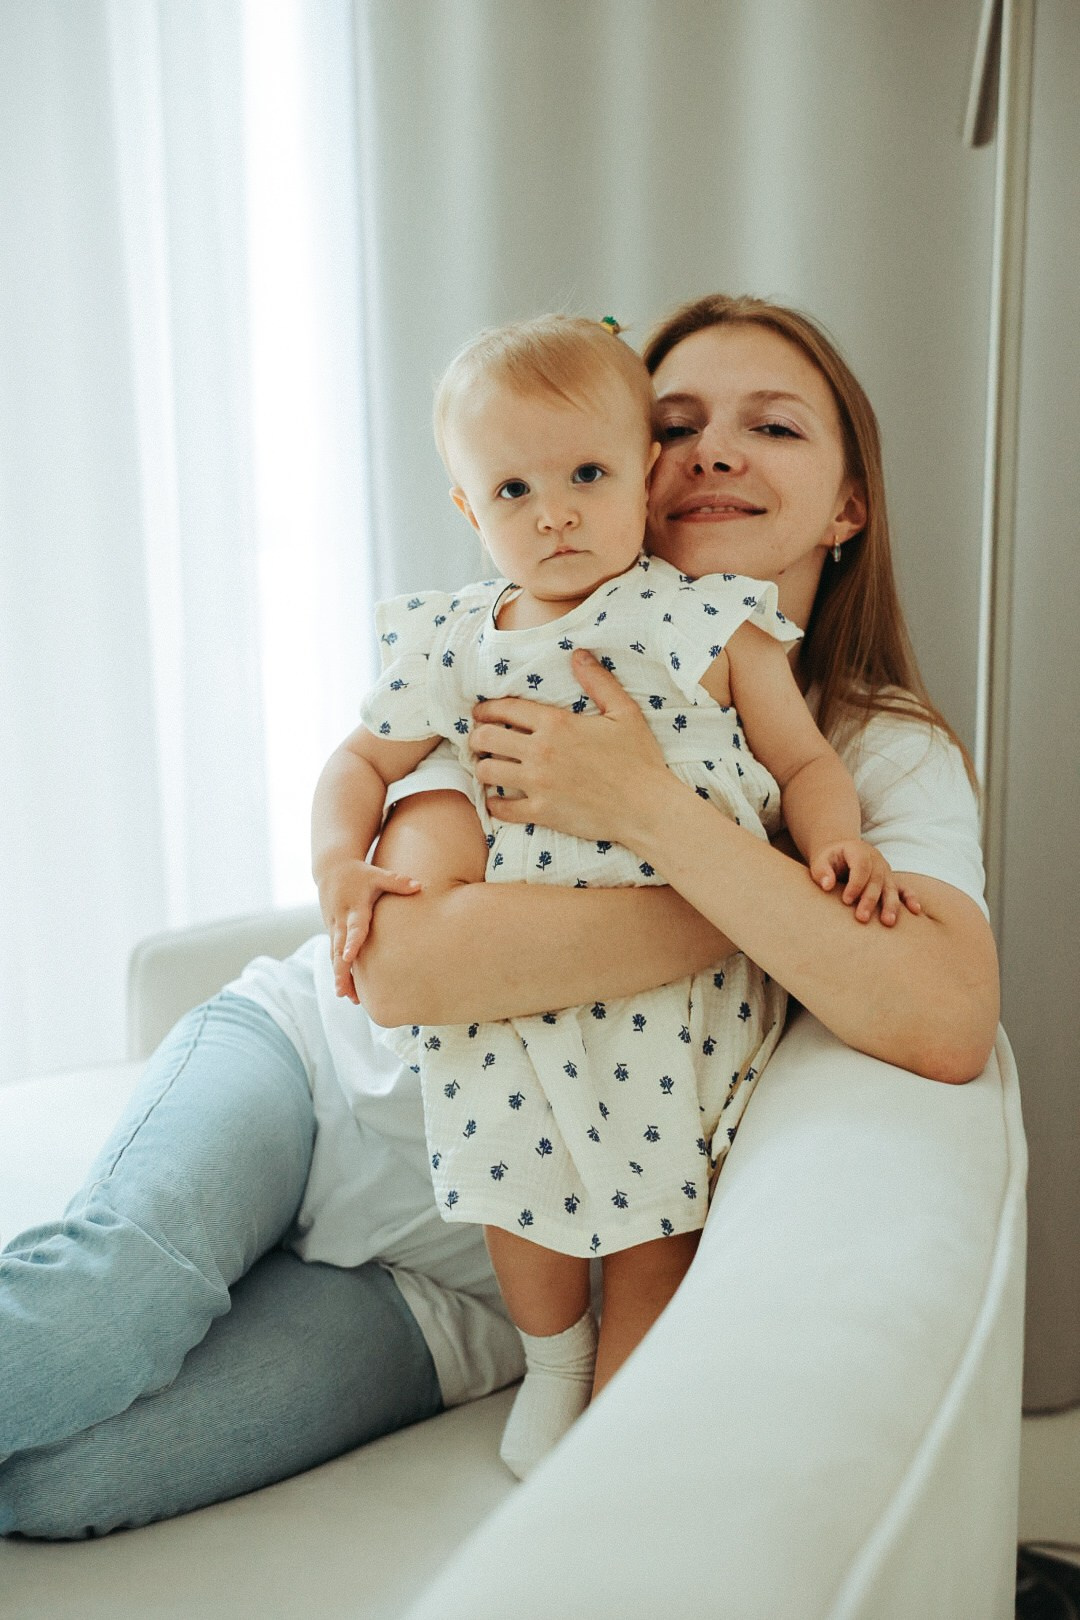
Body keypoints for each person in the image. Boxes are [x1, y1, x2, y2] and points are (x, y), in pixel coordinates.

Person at [0, 294, 998, 1538]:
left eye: (775, 428)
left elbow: (946, 1016)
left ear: (850, 504)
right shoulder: (507, 652)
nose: (711, 453)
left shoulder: (876, 750)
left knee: (60, 1488)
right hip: (314, 1081)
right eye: (677, 421)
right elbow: (408, 974)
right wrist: (779, 917)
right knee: (85, 1333)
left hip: (471, 1280)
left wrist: (646, 808)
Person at [313, 314, 914, 1477]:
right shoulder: (456, 638)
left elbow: (801, 763)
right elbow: (358, 764)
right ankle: (552, 1360)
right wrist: (337, 861)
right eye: (515, 488)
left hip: (672, 1011)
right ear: (467, 509)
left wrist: (841, 847)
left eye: (588, 474)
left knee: (662, 1206)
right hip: (509, 995)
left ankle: (615, 1426)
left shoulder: (708, 620)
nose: (556, 512)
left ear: (641, 476)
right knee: (517, 1185)